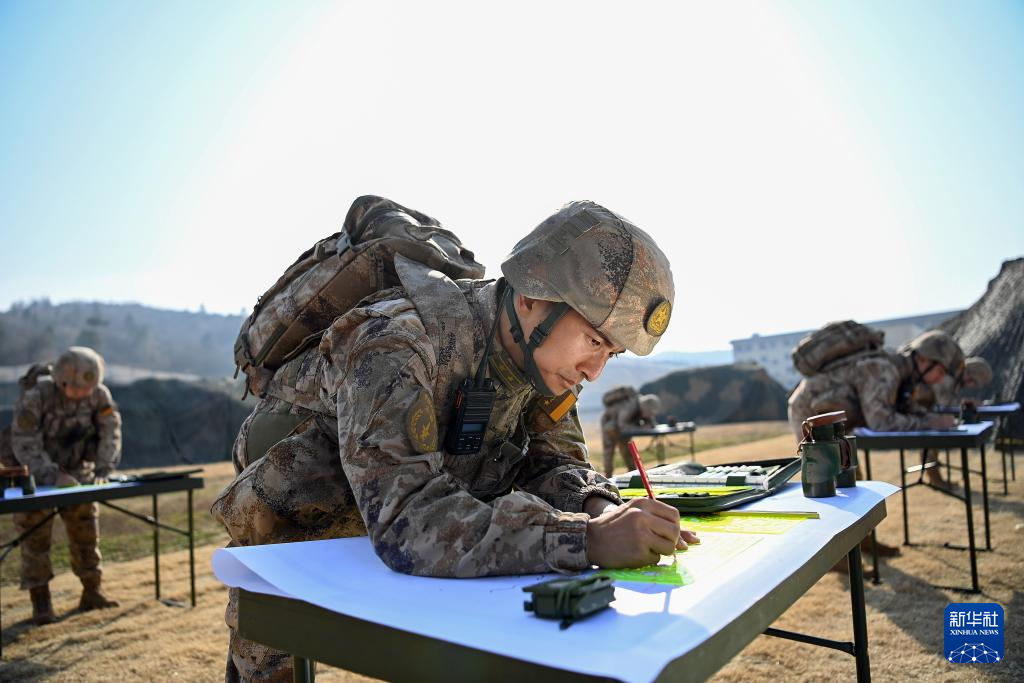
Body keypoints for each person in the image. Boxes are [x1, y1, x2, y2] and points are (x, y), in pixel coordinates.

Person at [212, 199, 697, 682]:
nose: (595, 371)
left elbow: (552, 463)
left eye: (610, 353)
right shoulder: (398, 342)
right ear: (531, 299)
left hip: (400, 514)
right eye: (594, 341)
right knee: (274, 655)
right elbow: (408, 520)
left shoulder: (540, 363)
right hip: (295, 517)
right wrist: (586, 540)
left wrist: (597, 508)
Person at [10, 346, 122, 625]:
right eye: (77, 389)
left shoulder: (98, 393)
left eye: (90, 388)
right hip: (38, 480)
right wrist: (52, 475)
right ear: (62, 381)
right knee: (35, 539)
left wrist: (104, 469)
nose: (86, 394)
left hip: (80, 476)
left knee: (86, 533)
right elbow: (24, 443)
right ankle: (41, 604)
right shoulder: (36, 396)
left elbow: (111, 431)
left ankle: (92, 592)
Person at [600, 387, 662, 476]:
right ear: (645, 407)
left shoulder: (644, 405)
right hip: (610, 425)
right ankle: (608, 477)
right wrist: (641, 428)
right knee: (609, 452)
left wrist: (651, 425)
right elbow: (622, 425)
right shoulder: (630, 406)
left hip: (621, 428)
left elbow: (651, 421)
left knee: (628, 453)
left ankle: (633, 475)